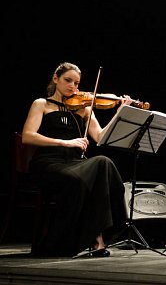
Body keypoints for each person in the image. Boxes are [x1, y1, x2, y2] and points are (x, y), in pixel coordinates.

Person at [22, 62, 133, 257]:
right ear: (55, 78)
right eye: (68, 80)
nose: (73, 87)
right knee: (81, 179)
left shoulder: (83, 109)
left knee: (102, 162)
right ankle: (68, 242)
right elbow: (28, 136)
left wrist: (119, 113)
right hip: (49, 162)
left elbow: (99, 137)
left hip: (75, 163)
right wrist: (65, 143)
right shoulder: (42, 104)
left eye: (76, 83)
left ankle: (98, 239)